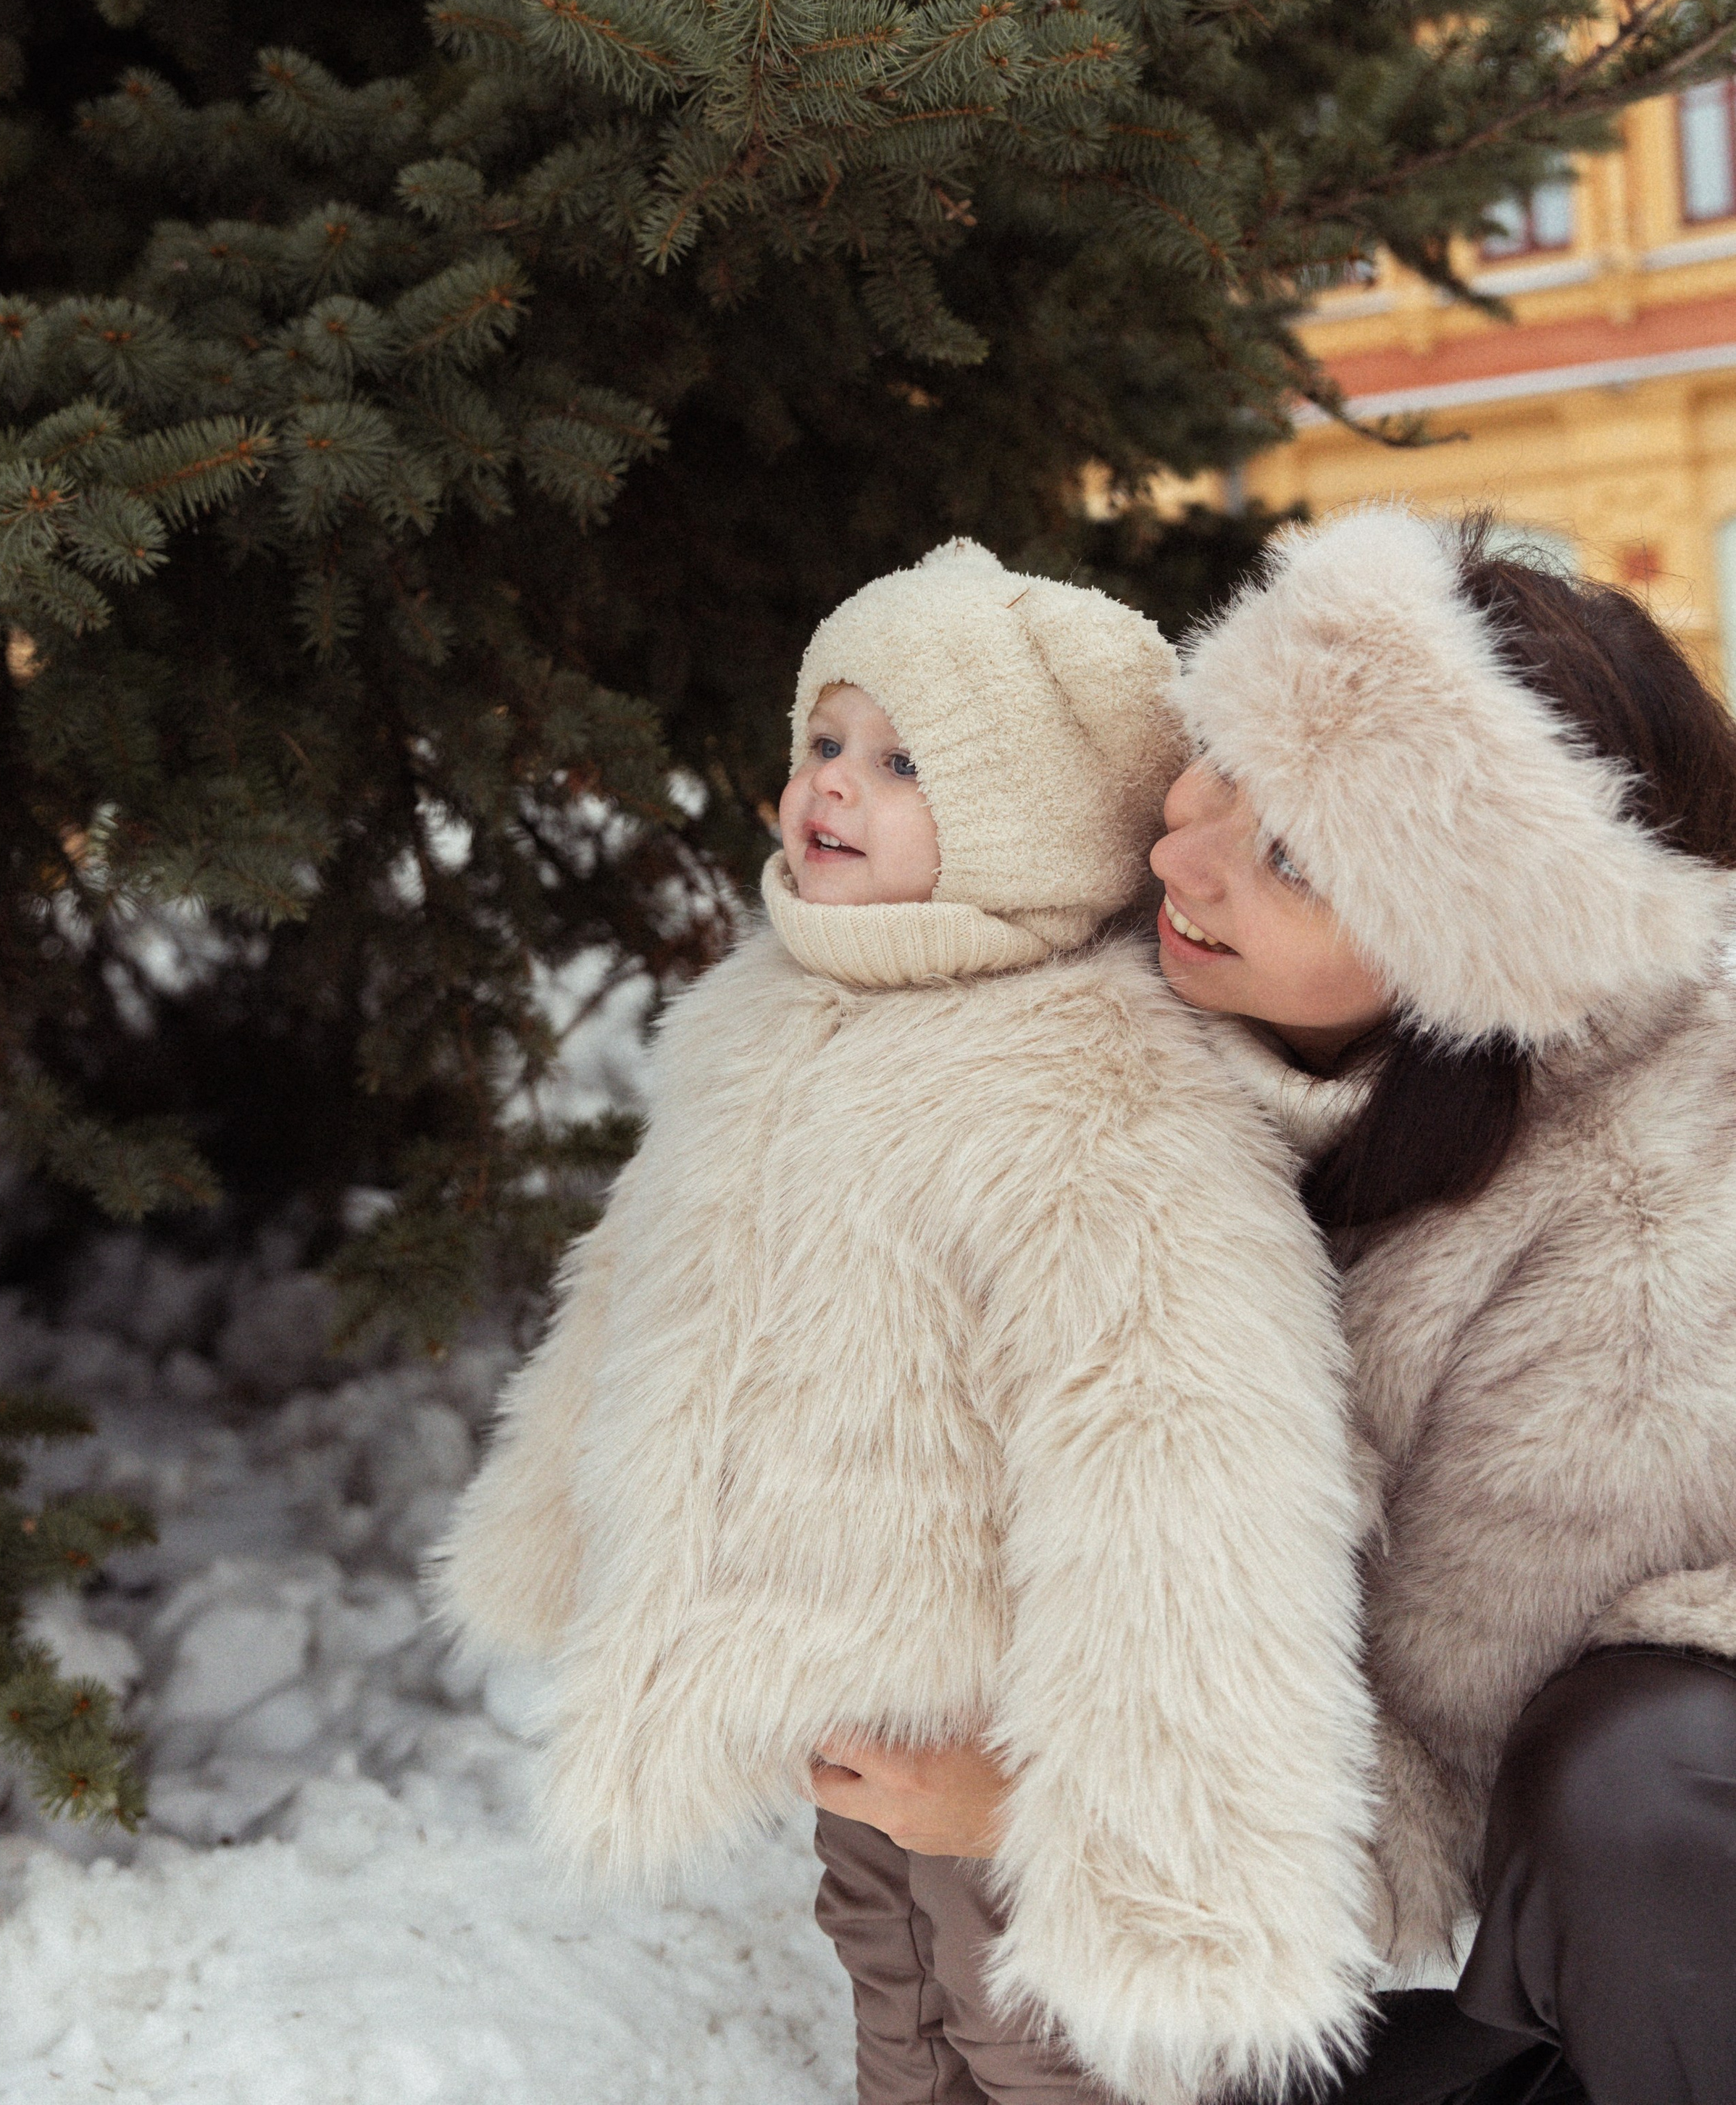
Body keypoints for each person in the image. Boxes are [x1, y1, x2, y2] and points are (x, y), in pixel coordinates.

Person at [438, 538, 1379, 2105]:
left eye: (903, 760)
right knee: (889, 1979)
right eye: (825, 740)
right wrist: (549, 1527)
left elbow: (1180, 1450)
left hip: (998, 1710)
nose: (833, 786)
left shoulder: (1090, 1074)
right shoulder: (764, 1008)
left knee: (1037, 2030)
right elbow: (641, 1284)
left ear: (1024, 813)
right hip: (841, 1679)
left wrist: (1104, 1797)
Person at [827, 507, 1736, 2105]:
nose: (1185, 851)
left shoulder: (1640, 1237)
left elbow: (1441, 1776)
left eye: (1295, 856)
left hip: (1650, 1820)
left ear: (1458, 957)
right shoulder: (1177, 980)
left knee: (1627, 1785)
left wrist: (1061, 1802)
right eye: (1225, 765)